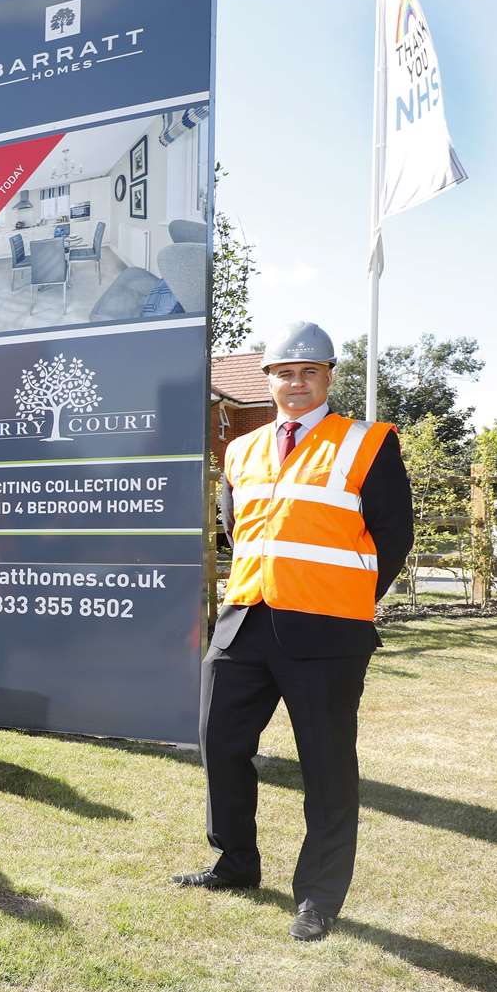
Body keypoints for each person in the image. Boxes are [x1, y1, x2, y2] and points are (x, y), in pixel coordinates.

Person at [173, 322, 413, 941]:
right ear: (268, 379)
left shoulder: (368, 443)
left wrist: (347, 598)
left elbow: (394, 538)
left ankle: (319, 896)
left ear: (330, 376)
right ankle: (235, 863)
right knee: (219, 741)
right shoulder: (242, 450)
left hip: (329, 631)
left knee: (327, 765)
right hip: (246, 618)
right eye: (284, 371)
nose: (296, 382)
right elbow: (236, 529)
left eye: (309, 371)